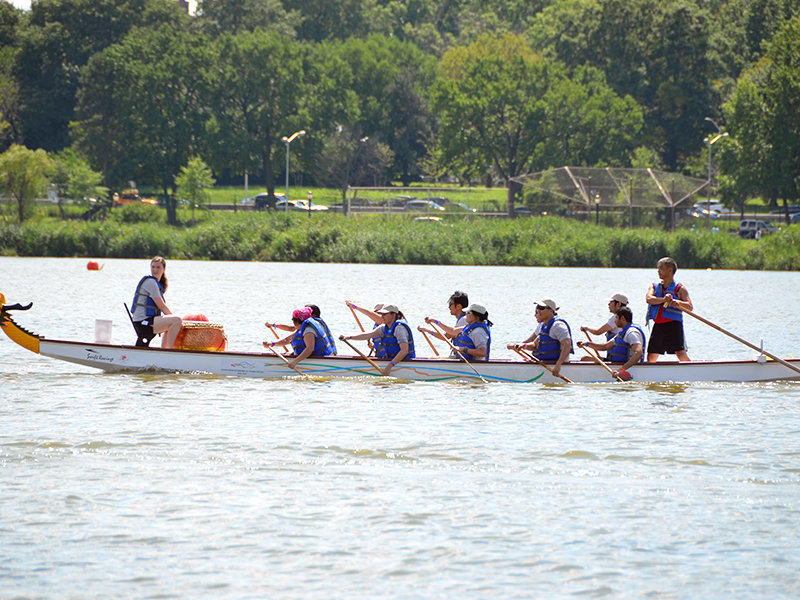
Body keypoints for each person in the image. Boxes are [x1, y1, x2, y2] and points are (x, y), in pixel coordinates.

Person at [339, 304, 415, 376]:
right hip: (392, 361)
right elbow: (368, 335)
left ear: (393, 315)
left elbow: (404, 350)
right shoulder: (384, 327)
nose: (382, 317)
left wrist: (389, 366)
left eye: (385, 314)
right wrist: (349, 337)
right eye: (382, 314)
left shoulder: (399, 328)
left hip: (405, 362)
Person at [507, 297, 573, 377]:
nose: (538, 311)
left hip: (556, 365)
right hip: (544, 362)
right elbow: (535, 344)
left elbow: (567, 345)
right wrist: (522, 345)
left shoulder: (558, 326)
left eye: (541, 308)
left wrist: (558, 365)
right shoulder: (542, 325)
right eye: (537, 308)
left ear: (551, 311)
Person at [577, 306, 645, 379]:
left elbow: (638, 353)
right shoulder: (622, 332)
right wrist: (586, 344)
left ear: (622, 318)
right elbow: (605, 346)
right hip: (615, 363)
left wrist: (621, 370)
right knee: (585, 358)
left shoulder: (632, 333)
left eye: (616, 318)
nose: (615, 321)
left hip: (626, 367)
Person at [646, 257, 692, 362]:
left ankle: (693, 371)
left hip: (673, 325)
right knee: (651, 356)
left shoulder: (680, 289)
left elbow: (689, 306)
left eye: (661, 268)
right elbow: (649, 299)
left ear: (670, 270)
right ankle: (650, 376)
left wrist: (677, 302)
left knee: (681, 354)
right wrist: (663, 299)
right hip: (658, 326)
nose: (658, 271)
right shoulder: (654, 286)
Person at [130, 256, 182, 348]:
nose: (155, 270)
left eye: (158, 267)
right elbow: (162, 306)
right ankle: (170, 351)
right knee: (176, 320)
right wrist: (179, 322)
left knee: (171, 322)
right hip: (143, 322)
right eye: (153, 267)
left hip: (146, 321)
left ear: (164, 269)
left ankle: (164, 350)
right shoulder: (150, 282)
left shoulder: (157, 283)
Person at [264, 307, 335, 369]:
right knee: (288, 353)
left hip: (320, 360)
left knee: (289, 354)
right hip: (314, 357)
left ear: (296, 321)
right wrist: (271, 344)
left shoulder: (308, 331)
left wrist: (295, 362)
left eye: (293, 320)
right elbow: (287, 340)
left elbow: (310, 349)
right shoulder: (303, 327)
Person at [422, 302, 492, 361]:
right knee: (432, 358)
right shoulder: (470, 327)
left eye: (468, 312)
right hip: (463, 360)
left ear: (476, 316)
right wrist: (433, 322)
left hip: (473, 363)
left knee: (432, 359)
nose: (465, 314)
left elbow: (483, 352)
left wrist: (462, 349)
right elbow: (452, 331)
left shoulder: (478, 331)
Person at [579, 292, 629, 361]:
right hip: (615, 358)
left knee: (584, 359)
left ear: (618, 304)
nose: (609, 304)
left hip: (615, 361)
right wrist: (587, 343)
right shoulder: (626, 318)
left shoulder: (616, 318)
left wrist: (587, 328)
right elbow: (604, 346)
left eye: (611, 302)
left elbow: (598, 331)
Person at [417, 291, 469, 357]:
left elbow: (449, 334)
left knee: (433, 359)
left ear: (459, 306)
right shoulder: (462, 319)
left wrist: (435, 321)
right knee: (433, 358)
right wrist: (425, 329)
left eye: (450, 304)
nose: (449, 307)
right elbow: (446, 336)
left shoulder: (464, 319)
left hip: (465, 357)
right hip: (461, 356)